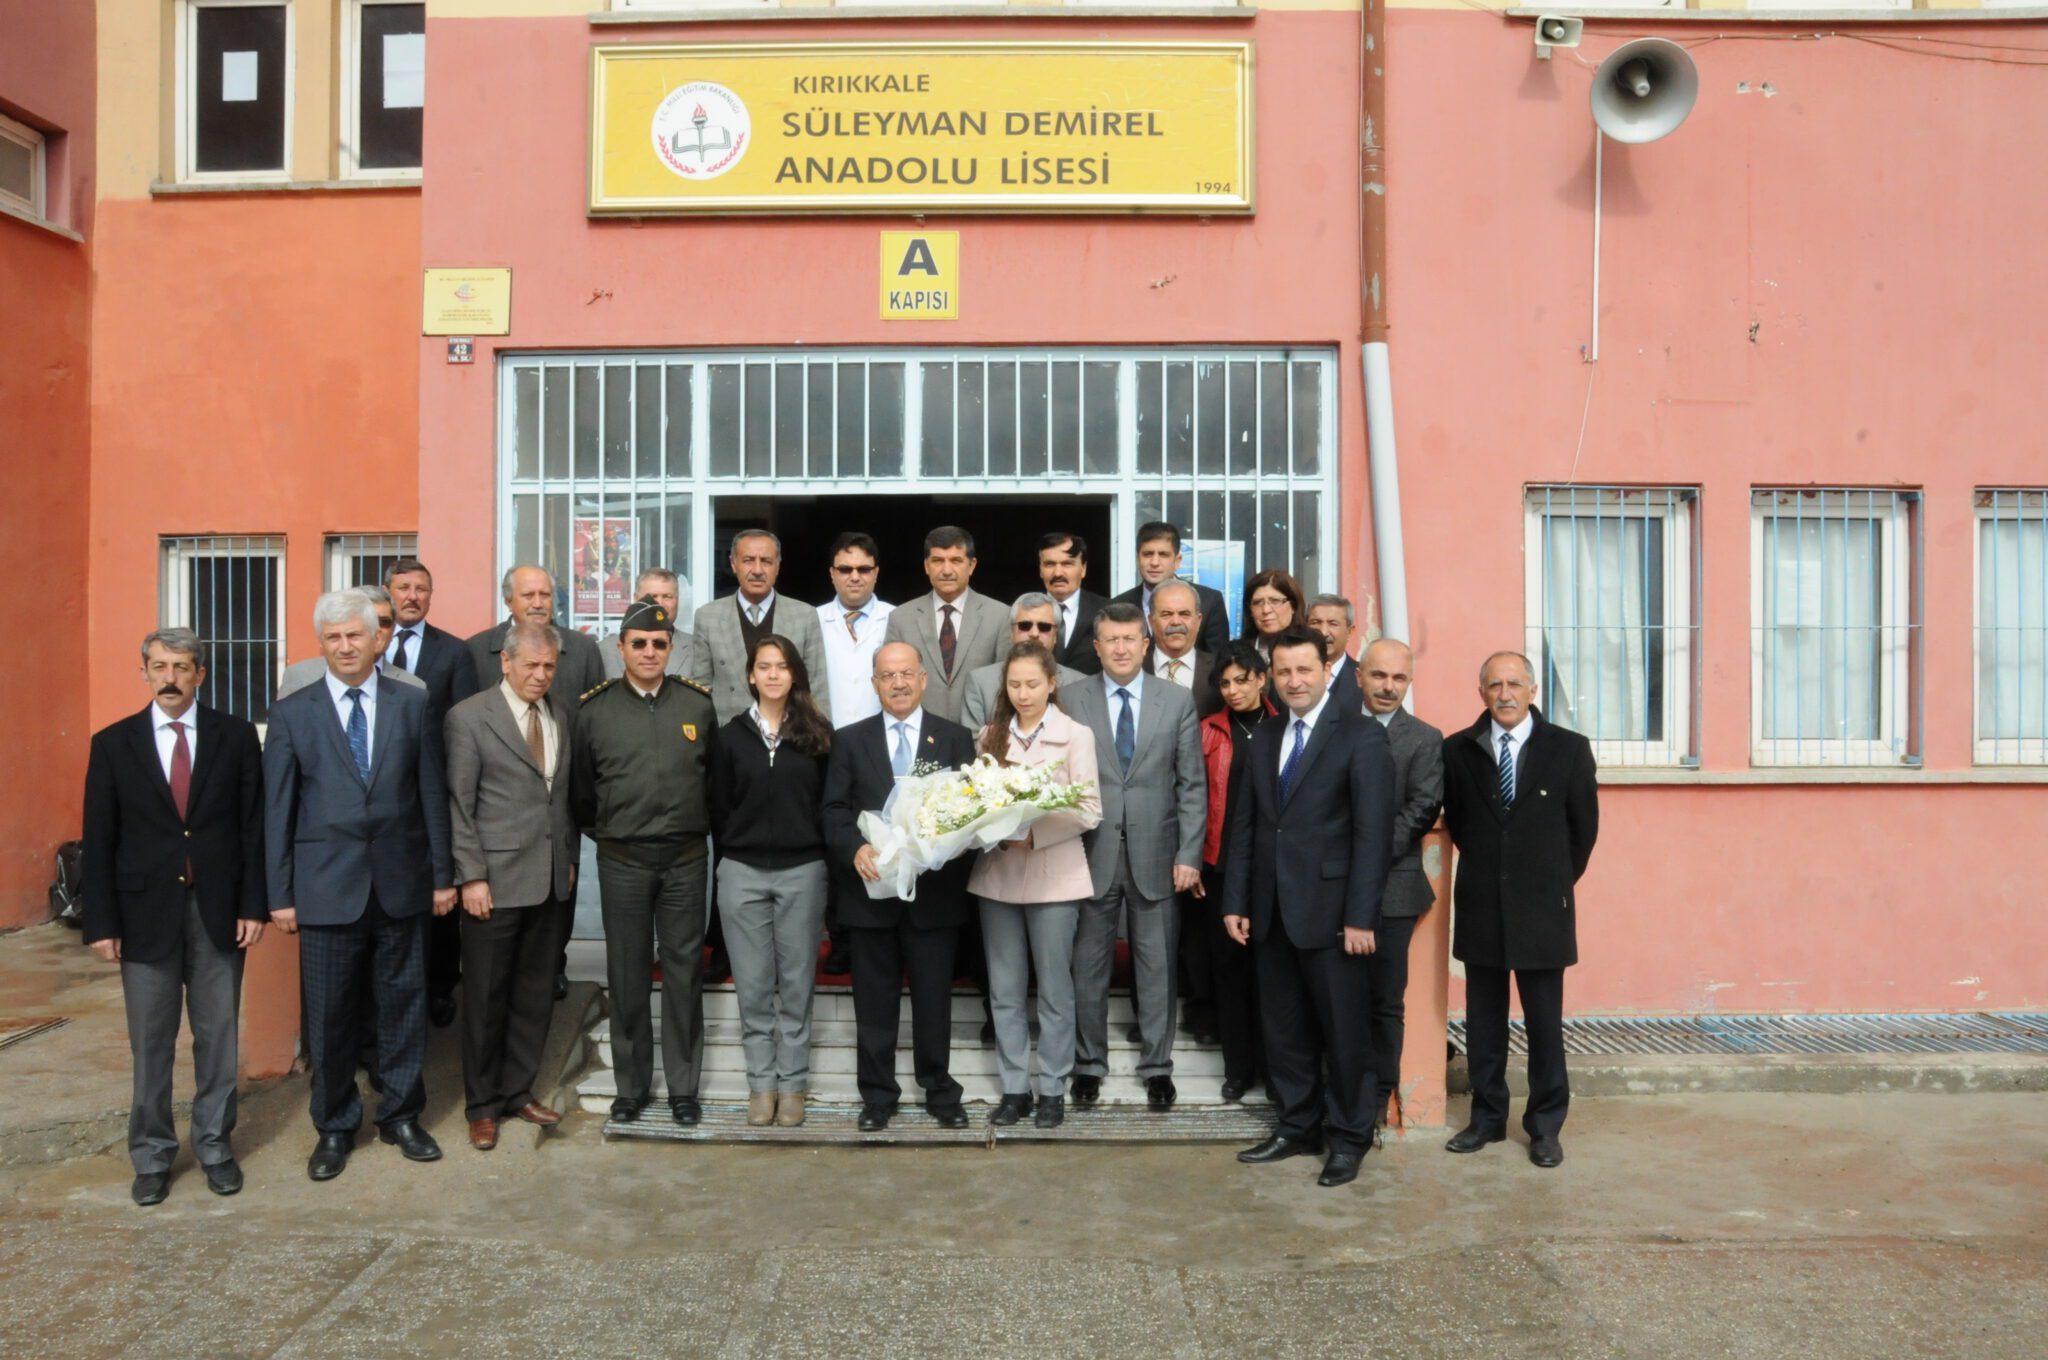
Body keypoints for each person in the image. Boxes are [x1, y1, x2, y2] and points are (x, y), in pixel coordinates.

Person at [264, 590, 455, 1181]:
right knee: (330, 1015)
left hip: (401, 882)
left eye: (355, 635)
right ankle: (335, 1126)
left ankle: (400, 1115)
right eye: (333, 638)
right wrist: (280, 894)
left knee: (403, 1005)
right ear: (321, 645)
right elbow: (279, 811)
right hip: (325, 889)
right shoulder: (295, 713)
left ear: (378, 639)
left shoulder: (411, 704)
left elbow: (431, 795)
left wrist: (442, 876)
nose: (345, 647)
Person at [81, 628, 267, 1205]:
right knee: (152, 1042)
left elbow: (251, 829)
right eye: (160, 666)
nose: (171, 677)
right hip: (142, 917)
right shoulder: (113, 744)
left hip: (217, 912)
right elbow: (99, 839)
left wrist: (252, 905)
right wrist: (101, 923)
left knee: (217, 1036)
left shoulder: (235, 738)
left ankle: (214, 1147)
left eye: (183, 667)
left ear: (200, 674)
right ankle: (153, 1156)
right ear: (143, 672)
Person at [1224, 627, 1394, 1188]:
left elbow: (1373, 836)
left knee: (1345, 1034)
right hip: (1271, 913)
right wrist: (1237, 900)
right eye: (1283, 671)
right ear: (1271, 675)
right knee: (1284, 1029)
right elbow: (1244, 826)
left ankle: (1348, 1138)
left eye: (1304, 670)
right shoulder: (1264, 737)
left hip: (1334, 916)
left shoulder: (1362, 737)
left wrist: (1360, 917)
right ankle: (1296, 1125)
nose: (1294, 681)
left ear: (1326, 671)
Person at [1440, 650, 1598, 1169]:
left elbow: (1583, 832)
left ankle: (1546, 1126)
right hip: (1482, 904)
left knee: (1544, 1024)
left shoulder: (1568, 750)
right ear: (1481, 692)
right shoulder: (1458, 750)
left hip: (1542, 910)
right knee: (1483, 1023)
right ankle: (1486, 1119)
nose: (1504, 694)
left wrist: (1546, 882)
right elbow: (1461, 826)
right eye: (1494, 685)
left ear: (1533, 690)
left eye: (1514, 684)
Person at [571, 598, 720, 1127]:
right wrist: (615, 833)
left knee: (683, 975)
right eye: (639, 643)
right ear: (621, 649)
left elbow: (714, 783)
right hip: (623, 861)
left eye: (660, 644)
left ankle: (683, 1087)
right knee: (628, 974)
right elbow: (582, 796)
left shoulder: (697, 706)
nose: (650, 651)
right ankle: (630, 1088)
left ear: (671, 648)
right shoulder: (593, 711)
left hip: (684, 860)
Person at [821, 642, 977, 1132]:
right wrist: (854, 849)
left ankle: (940, 1091)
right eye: (887, 676)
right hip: (870, 896)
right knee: (874, 1001)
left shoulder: (953, 738)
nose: (898, 683)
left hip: (934, 896)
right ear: (874, 684)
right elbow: (833, 810)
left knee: (934, 998)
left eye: (907, 673)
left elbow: (970, 809)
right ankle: (878, 1096)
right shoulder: (849, 740)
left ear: (924, 678)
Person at [1064, 602, 1206, 1111]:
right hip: (1088, 853)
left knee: (1156, 967)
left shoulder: (1177, 700)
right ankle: (1087, 1065)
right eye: (1111, 640)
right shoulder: (1070, 698)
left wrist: (1190, 853)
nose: (1121, 649)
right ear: (1097, 646)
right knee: (1088, 966)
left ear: (1146, 646)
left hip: (1159, 856)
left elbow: (1192, 784)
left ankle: (1157, 1068)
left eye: (1131, 639)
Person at [443, 621, 577, 1152]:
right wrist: (470, 875)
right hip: (492, 884)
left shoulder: (560, 714)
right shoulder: (469, 718)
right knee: (485, 995)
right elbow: (459, 803)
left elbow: (557, 799)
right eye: (530, 666)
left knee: (533, 993)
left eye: (549, 667)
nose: (540, 676)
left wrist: (563, 858)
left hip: (548, 881)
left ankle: (518, 1090)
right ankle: (481, 1105)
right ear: (506, 662)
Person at [966, 644, 1102, 1129]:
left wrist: (1032, 833)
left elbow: (1088, 808)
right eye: (1014, 685)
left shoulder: (1076, 735)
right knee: (1003, 990)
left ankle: (1052, 1089)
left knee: (1054, 989)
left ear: (1052, 684)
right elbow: (975, 805)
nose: (1023, 694)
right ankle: (1014, 1088)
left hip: (1054, 875)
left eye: (1032, 684)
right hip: (998, 876)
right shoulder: (989, 737)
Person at [709, 635, 834, 1128]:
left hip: (802, 872)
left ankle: (794, 1084)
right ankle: (761, 1085)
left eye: (783, 666)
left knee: (798, 983)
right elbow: (718, 805)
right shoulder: (729, 736)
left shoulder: (818, 736)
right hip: (741, 873)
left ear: (795, 674)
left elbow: (828, 805)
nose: (774, 674)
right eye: (765, 666)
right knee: (755, 986)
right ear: (750, 676)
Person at [1357, 638, 1444, 1135]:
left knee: (1386, 1000)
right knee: (1339, 997)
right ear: (1359, 676)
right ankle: (1342, 1092)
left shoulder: (1424, 738)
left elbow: (1421, 809)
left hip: (1394, 887)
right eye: (1379, 676)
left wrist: (1364, 858)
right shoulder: (1338, 727)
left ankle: (1377, 1100)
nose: (1388, 687)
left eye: (1399, 678)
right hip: (1334, 886)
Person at [1193, 641, 1275, 1100]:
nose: (1232, 690)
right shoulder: (1208, 731)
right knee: (1227, 970)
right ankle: (1238, 1069)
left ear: (1262, 679)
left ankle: (1273, 1066)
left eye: (1241, 679)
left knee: (1271, 971)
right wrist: (1196, 860)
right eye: (1224, 683)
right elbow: (1193, 800)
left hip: (1272, 869)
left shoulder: (1284, 729)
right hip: (1220, 866)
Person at [690, 529, 830, 725]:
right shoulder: (708, 617)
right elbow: (700, 691)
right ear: (733, 563)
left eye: (766, 561)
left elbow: (817, 688)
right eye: (748, 560)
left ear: (778, 566)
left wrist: (819, 744)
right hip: (727, 741)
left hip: (789, 738)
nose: (757, 570)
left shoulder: (804, 616)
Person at [882, 525, 1007, 725]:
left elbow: (1006, 685)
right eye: (938, 561)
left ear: (972, 565)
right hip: (920, 737)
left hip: (979, 736)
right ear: (926, 566)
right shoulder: (901, 617)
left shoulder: (1000, 616)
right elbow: (888, 681)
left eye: (956, 560)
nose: (946, 570)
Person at [467, 565, 607, 704]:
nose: (538, 603)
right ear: (508, 601)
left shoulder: (583, 649)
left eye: (545, 595)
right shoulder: (476, 650)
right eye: (528, 596)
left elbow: (598, 711)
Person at [960, 592, 1087, 731]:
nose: (1034, 633)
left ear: (1055, 635)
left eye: (1044, 627)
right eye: (1025, 626)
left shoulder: (1080, 683)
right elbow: (973, 743)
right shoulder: (980, 683)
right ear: (1012, 632)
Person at [278, 585, 425, 702]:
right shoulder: (299, 676)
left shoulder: (414, 688)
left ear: (393, 627)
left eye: (384, 622)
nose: (376, 628)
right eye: (368, 622)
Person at [1111, 521, 1229, 656]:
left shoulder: (1209, 601)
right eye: (1148, 554)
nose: (1154, 562)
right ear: (1138, 559)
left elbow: (1219, 663)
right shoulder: (1117, 606)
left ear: (1177, 561)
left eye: (1163, 554)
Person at [816, 531, 896, 728]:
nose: (854, 577)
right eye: (845, 569)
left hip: (882, 739)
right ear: (832, 574)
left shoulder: (897, 618)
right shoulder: (813, 619)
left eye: (863, 569)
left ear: (876, 573)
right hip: (825, 739)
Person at [385, 557, 482, 719]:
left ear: (430, 596)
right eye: (404, 588)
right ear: (386, 593)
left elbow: (465, 717)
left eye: (421, 589)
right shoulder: (369, 643)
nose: (413, 597)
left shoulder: (455, 651)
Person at [599, 568, 694, 680]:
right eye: (652, 596)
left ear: (677, 600)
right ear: (636, 599)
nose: (660, 604)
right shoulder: (604, 650)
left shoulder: (696, 648)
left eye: (667, 597)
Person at [1146, 579, 1221, 719]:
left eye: (1184, 614)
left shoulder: (1220, 669)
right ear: (1151, 622)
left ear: (1198, 621)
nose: (1175, 621)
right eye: (1166, 614)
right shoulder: (1134, 669)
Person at [1037, 531, 1106, 676]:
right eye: (1049, 564)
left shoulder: (1106, 611)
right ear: (1040, 570)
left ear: (1083, 569)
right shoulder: (1024, 615)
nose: (1058, 573)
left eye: (1067, 564)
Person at [1306, 593, 1364, 714]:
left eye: (1333, 623)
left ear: (1350, 631)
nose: (1323, 632)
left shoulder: (1365, 678)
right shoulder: (1286, 676)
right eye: (1316, 622)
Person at [1243, 569, 1307, 661]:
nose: (1266, 610)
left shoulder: (1311, 650)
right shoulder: (1236, 653)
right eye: (1258, 602)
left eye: (1275, 601)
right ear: (1250, 610)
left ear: (1293, 606)